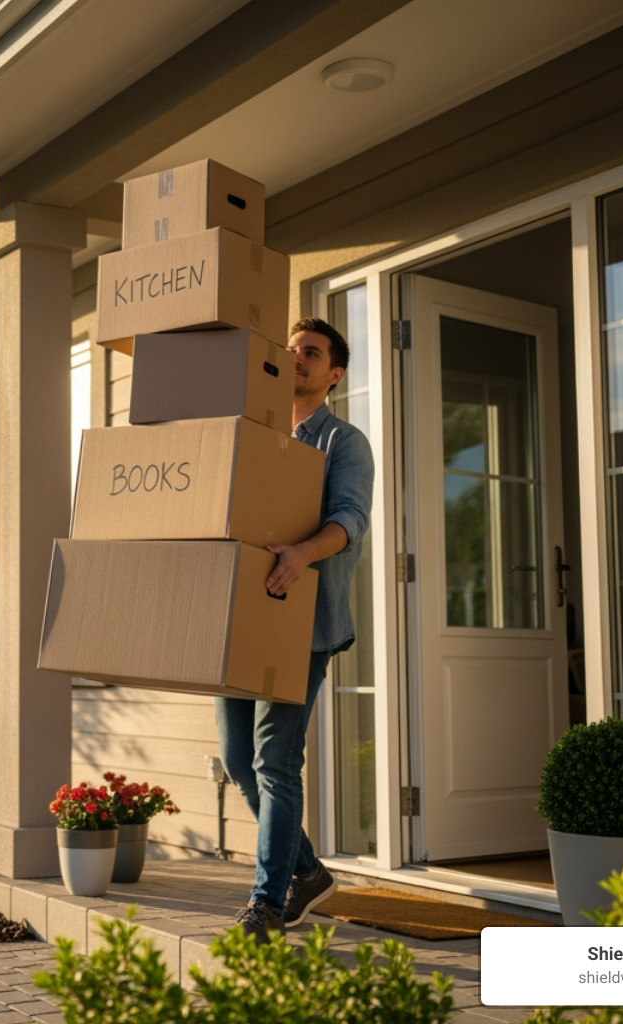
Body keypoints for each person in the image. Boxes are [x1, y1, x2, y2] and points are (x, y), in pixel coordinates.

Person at [216, 316, 375, 940]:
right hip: (238, 620)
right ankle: (307, 871)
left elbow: (350, 521)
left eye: (310, 352)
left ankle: (266, 904)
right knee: (239, 762)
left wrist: (302, 555)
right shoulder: (254, 434)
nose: (296, 357)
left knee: (274, 761)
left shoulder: (344, 442)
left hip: (301, 624)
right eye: (291, 349)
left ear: (334, 374)